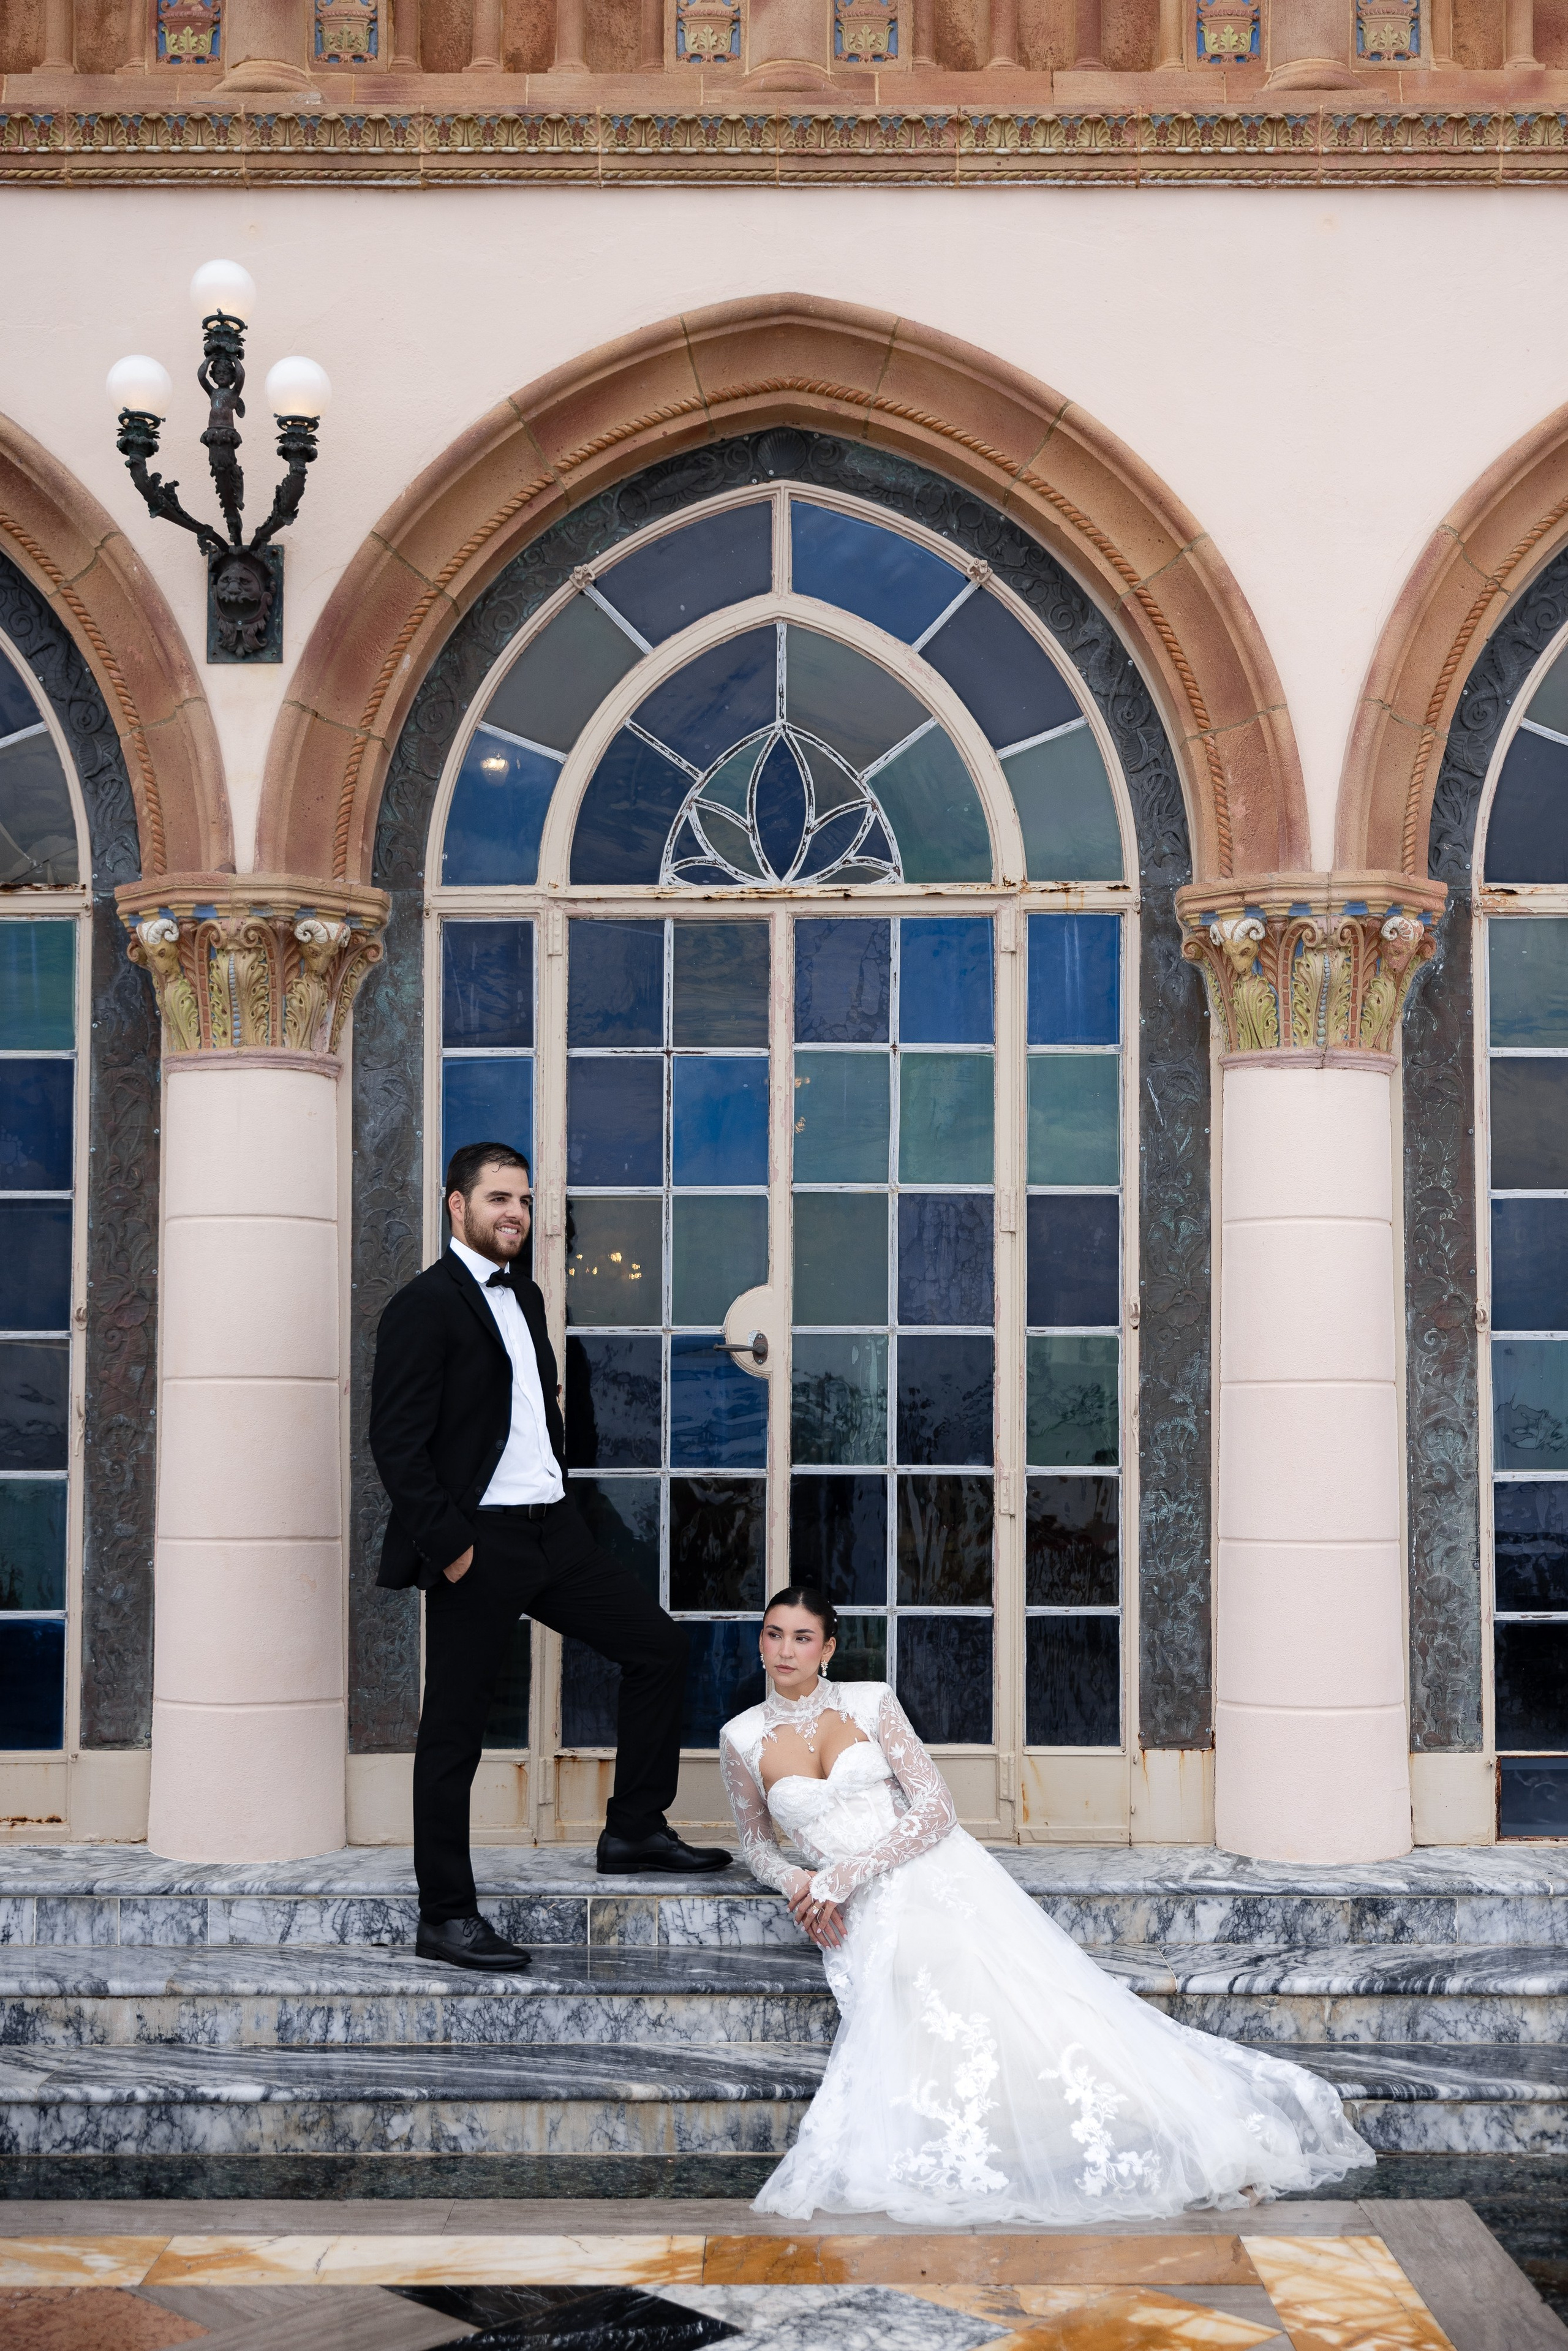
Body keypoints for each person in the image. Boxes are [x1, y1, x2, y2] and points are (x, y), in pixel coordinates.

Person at [719, 1587, 1374, 2224]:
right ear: (760, 1643)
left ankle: (1180, 2125)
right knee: (926, 1990)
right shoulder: (741, 1736)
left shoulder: (870, 1702)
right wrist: (800, 1883)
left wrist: (843, 1875)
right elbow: (756, 1842)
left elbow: (936, 1807)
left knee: (1039, 2004)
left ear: (827, 1647)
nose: (785, 1650)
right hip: (859, 1909)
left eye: (802, 1637)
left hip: (935, 1873)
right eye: (774, 1634)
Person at [370, 1140, 731, 1974]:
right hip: (480, 1541)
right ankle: (447, 1913)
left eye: (525, 1201)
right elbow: (396, 1444)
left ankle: (635, 1825)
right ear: (456, 1206)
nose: (516, 1214)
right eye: (499, 1199)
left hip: (553, 1531)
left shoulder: (526, 1294)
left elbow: (529, 1414)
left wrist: (564, 1501)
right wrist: (454, 1548)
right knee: (454, 1732)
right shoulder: (422, 1306)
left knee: (658, 1646)